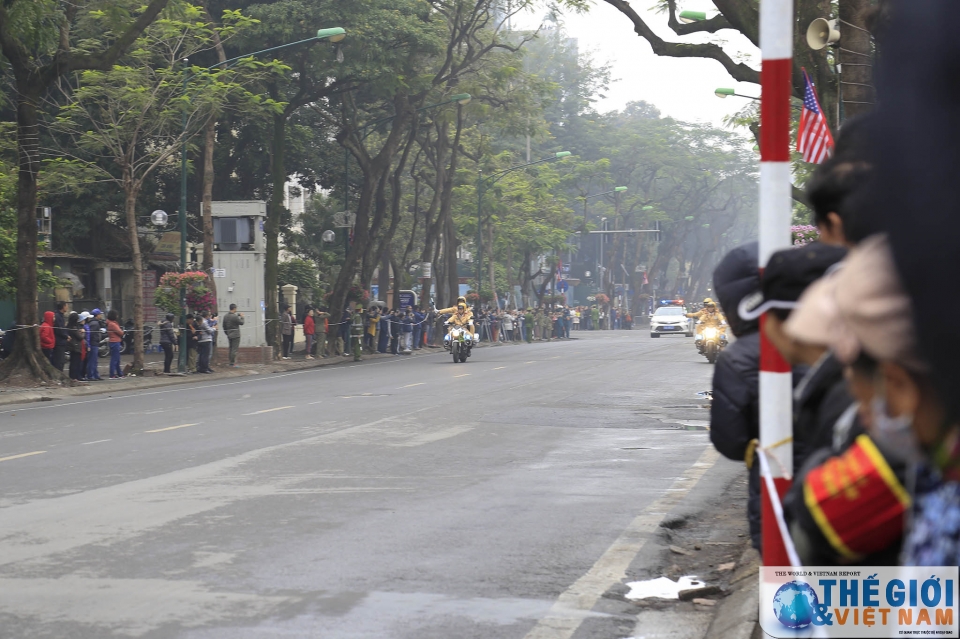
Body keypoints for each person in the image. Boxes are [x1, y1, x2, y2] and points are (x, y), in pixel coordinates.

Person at [66, 312, 84, 381]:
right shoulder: (74, 328)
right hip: (76, 346)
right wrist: (83, 333)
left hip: (71, 346)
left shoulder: (69, 326)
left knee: (73, 362)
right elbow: (80, 337)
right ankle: (74, 377)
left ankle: (73, 376)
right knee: (75, 363)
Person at [106, 309, 124, 378]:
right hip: (115, 342)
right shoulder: (112, 324)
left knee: (117, 359)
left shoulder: (110, 323)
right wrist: (122, 331)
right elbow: (120, 332)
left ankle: (120, 373)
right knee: (115, 359)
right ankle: (112, 374)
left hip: (114, 341)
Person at [86, 309, 103, 381]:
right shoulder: (95, 324)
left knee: (94, 360)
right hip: (93, 343)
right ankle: (91, 375)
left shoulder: (93, 323)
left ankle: (95, 374)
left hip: (94, 343)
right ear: (97, 315)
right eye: (100, 314)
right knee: (92, 360)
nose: (101, 315)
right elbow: (91, 334)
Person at [53, 300, 68, 371]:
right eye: (66, 305)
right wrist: (66, 336)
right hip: (59, 342)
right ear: (63, 307)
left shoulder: (61, 316)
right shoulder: (58, 316)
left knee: (61, 360)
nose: (67, 307)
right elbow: (60, 329)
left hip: (62, 341)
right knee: (59, 361)